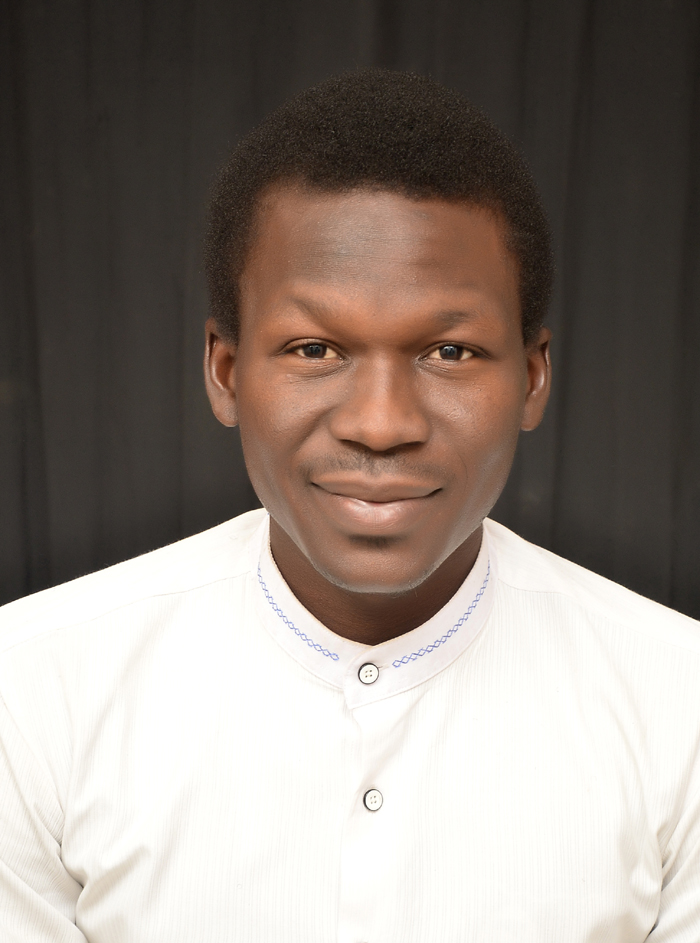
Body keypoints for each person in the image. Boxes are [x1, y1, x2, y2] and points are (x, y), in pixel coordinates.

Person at [1, 69, 698, 943]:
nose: (381, 423)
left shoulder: (680, 705)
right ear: (225, 370)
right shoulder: (31, 690)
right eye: (314, 348)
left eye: (449, 351)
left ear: (531, 377)